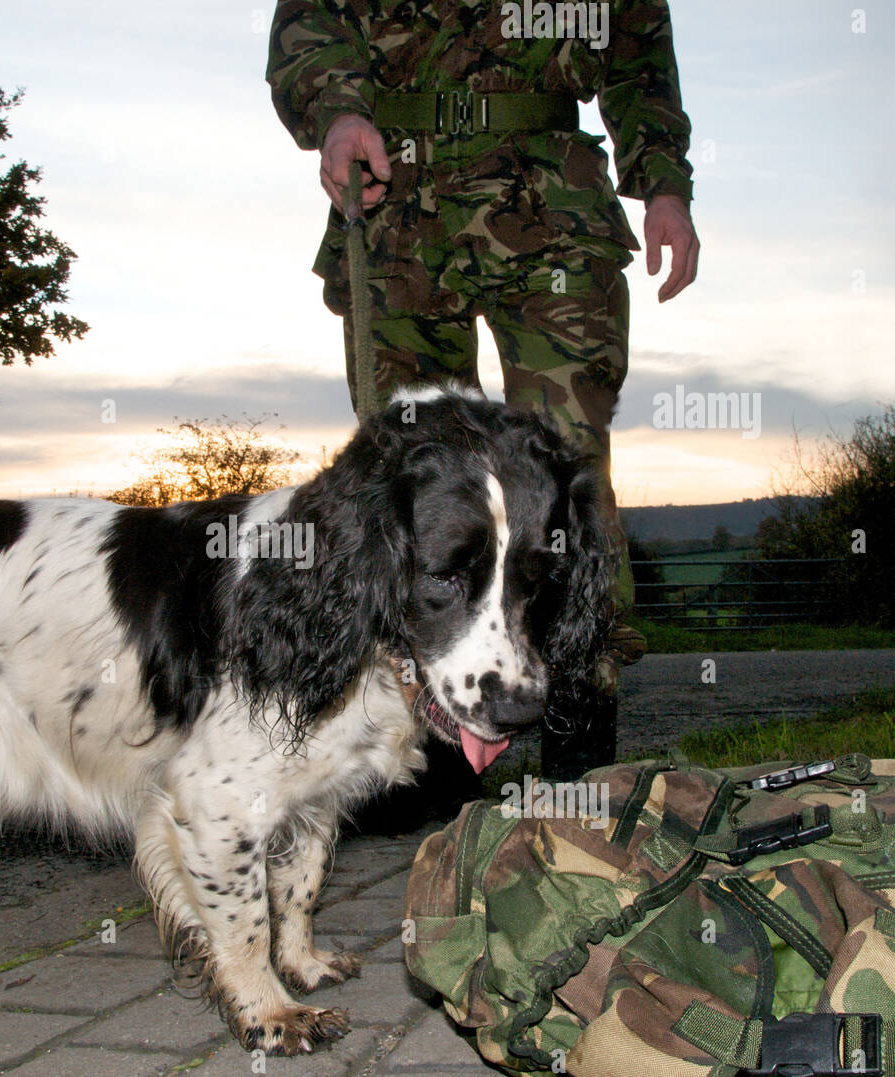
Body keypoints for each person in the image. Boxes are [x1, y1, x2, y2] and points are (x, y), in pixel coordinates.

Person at [267, 0, 699, 779]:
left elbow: (638, 54)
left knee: (564, 469)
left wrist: (665, 185)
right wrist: (336, 113)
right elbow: (312, 20)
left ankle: (577, 755)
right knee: (412, 476)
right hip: (398, 199)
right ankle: (433, 777)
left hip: (548, 197)